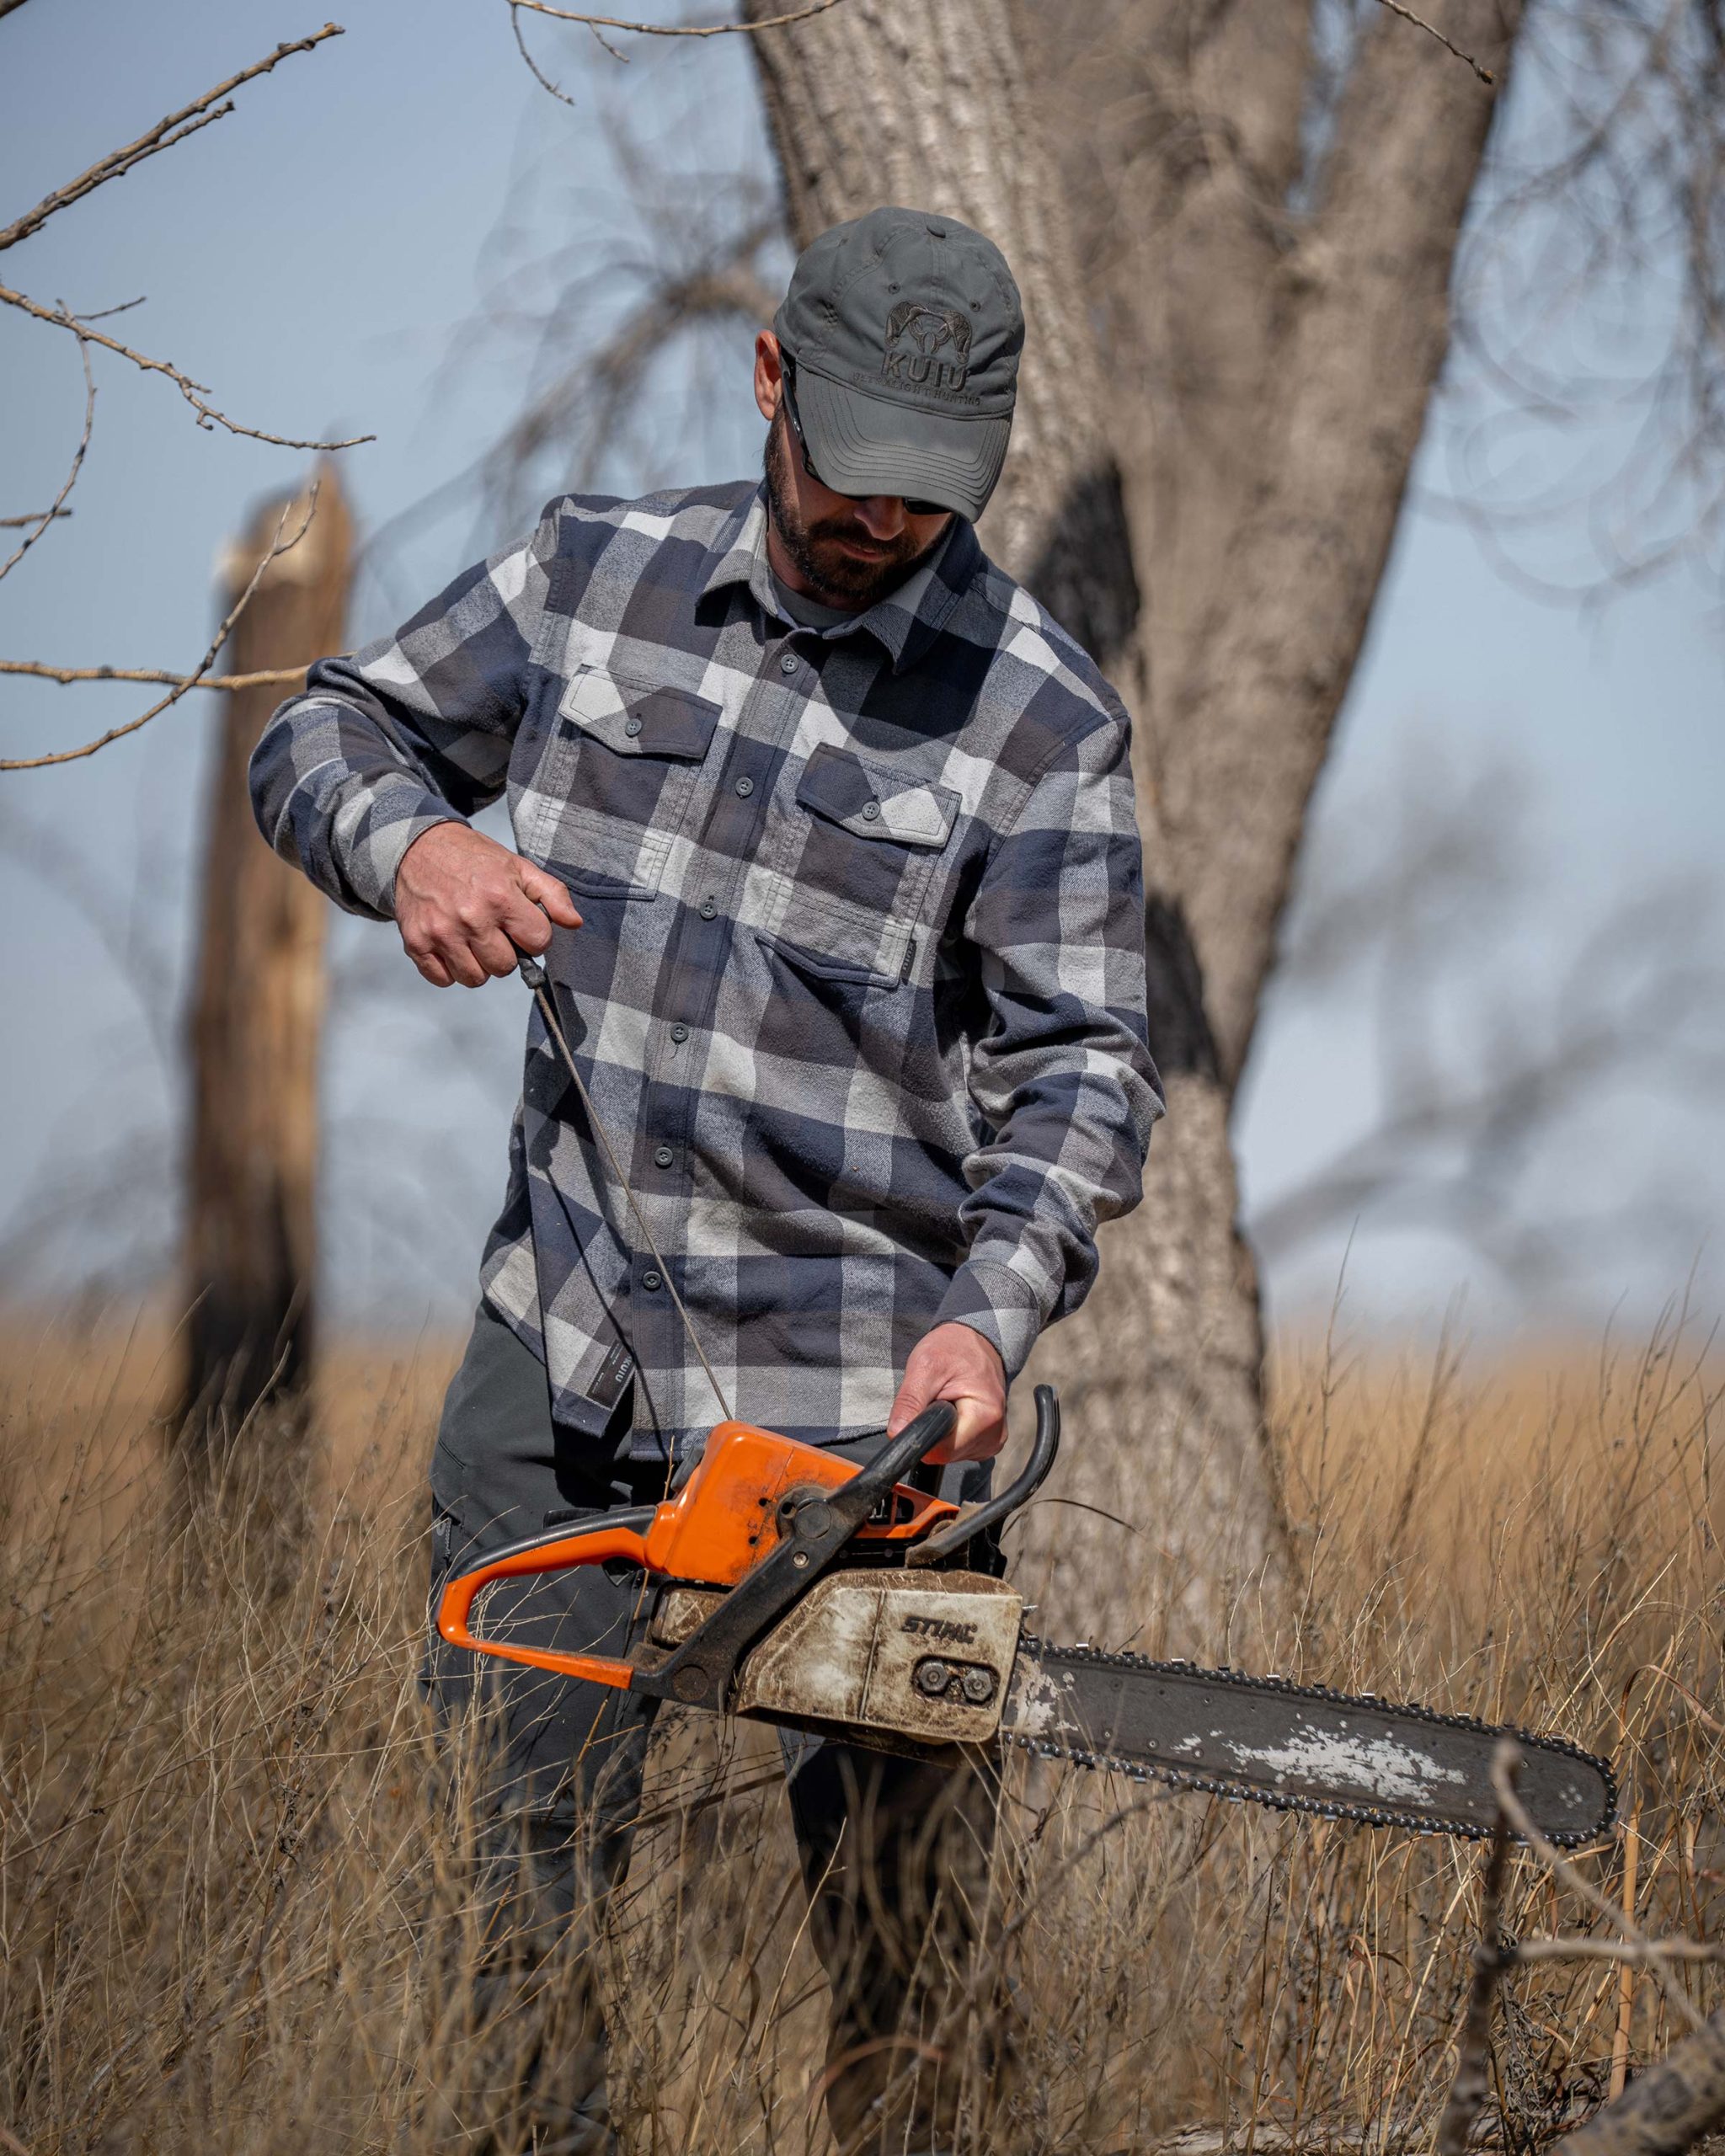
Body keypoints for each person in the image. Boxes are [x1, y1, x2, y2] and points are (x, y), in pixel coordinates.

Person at [252, 204, 1160, 2155]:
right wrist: (407, 849)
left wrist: (982, 1324)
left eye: (929, 494)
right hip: (562, 1379)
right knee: (522, 1937)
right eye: (850, 471)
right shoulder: (591, 577)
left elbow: (1083, 1070)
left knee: (909, 1980)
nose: (878, 522)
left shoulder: (1046, 719)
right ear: (770, 380)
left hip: (867, 1450)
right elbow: (328, 725)